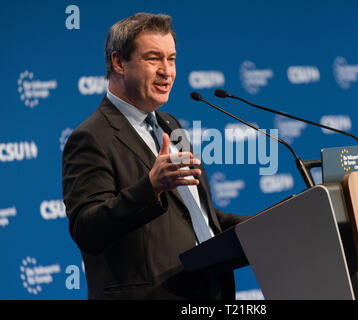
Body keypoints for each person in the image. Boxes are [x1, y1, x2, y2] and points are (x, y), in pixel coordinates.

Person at [62, 12, 249, 300]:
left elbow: (195, 217)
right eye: (153, 58)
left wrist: (269, 225)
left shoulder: (170, 125)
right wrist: (150, 187)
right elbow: (86, 230)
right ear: (118, 62)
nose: (167, 71)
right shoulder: (91, 137)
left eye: (171, 59)